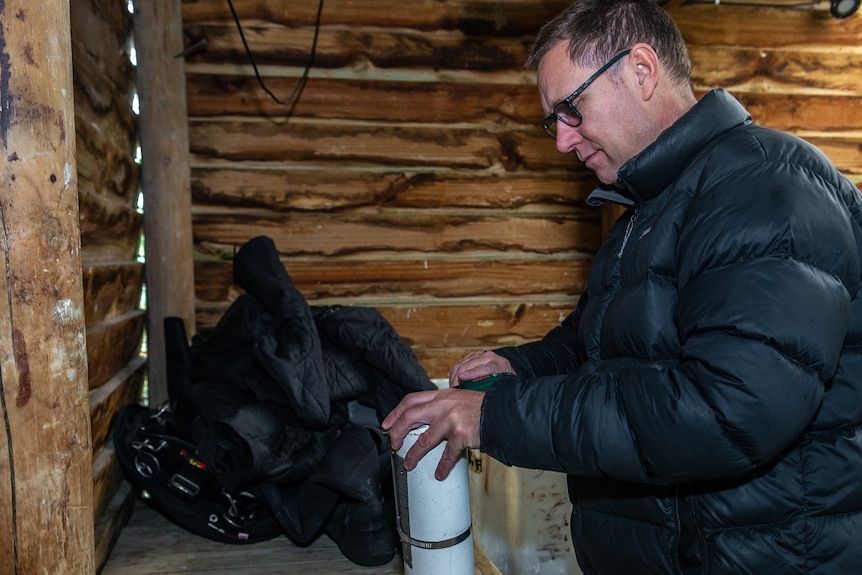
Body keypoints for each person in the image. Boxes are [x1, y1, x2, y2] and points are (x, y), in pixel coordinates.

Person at [383, 0, 862, 572]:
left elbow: (730, 407)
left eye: (572, 108)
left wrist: (498, 418)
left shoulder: (761, 185)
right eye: (552, 120)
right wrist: (525, 367)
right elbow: (604, 341)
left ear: (640, 70)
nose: (562, 140)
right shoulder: (648, 207)